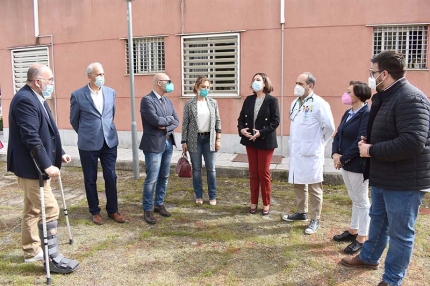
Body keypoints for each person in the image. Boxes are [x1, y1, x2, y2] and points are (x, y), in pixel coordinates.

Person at [341, 51, 429, 286]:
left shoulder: (411, 98)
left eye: (373, 73)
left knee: (400, 234)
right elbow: (384, 131)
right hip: (383, 174)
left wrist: (371, 150)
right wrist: (365, 140)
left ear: (385, 74)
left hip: (405, 180)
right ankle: (369, 257)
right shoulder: (385, 97)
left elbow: (413, 141)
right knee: (378, 220)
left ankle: (392, 280)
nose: (371, 78)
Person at [7, 63, 79, 273]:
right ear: (38, 82)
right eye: (50, 81)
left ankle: (31, 251)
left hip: (36, 164)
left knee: (32, 209)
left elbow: (50, 131)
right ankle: (51, 257)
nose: (52, 85)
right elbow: (31, 136)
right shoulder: (24, 100)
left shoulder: (38, 98)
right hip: (31, 167)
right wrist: (47, 164)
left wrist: (60, 152)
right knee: (50, 209)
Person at [70, 62, 125, 225]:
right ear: (89, 76)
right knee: (90, 178)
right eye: (98, 74)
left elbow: (110, 115)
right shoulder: (78, 95)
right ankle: (94, 211)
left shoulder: (111, 92)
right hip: (88, 144)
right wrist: (86, 133)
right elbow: (74, 120)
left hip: (109, 142)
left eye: (103, 74)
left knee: (111, 176)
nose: (102, 77)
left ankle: (113, 210)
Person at [282, 72, 335, 234]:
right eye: (296, 82)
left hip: (311, 152)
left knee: (314, 187)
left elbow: (330, 128)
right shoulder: (294, 103)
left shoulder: (320, 103)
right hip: (298, 151)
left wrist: (318, 144)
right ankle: (301, 212)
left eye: (300, 83)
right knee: (298, 182)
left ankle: (315, 219)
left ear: (310, 86)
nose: (296, 86)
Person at [331, 81, 371, 254]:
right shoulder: (348, 112)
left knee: (361, 200)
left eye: (349, 91)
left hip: (356, 164)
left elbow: (360, 140)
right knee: (353, 197)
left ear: (358, 95)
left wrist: (343, 159)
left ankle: (362, 237)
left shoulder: (366, 113)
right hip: (345, 162)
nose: (345, 94)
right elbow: (337, 134)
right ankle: (353, 230)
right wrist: (334, 154)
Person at [237, 73, 280, 215]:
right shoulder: (249, 100)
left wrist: (261, 132)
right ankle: (253, 202)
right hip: (250, 140)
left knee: (263, 173)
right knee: (253, 173)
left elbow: (275, 121)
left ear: (264, 83)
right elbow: (241, 119)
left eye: (258, 80)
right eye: (253, 79)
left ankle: (266, 203)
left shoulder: (272, 101)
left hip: (265, 140)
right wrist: (242, 130)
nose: (255, 82)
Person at [140, 73, 179, 225]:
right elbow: (155, 121)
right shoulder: (147, 100)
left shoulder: (168, 101)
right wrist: (165, 121)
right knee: (152, 179)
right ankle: (148, 209)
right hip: (153, 145)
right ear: (159, 83)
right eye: (168, 81)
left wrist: (165, 123)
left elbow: (176, 120)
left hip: (168, 142)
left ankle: (159, 203)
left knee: (164, 176)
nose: (170, 84)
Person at [181, 76, 222, 206]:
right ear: (197, 87)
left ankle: (212, 195)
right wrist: (184, 141)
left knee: (211, 169)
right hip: (195, 139)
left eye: (207, 87)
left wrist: (218, 139)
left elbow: (218, 121)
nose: (205, 89)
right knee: (197, 169)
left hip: (209, 138)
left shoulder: (213, 103)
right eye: (203, 87)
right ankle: (198, 195)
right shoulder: (189, 104)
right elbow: (185, 123)